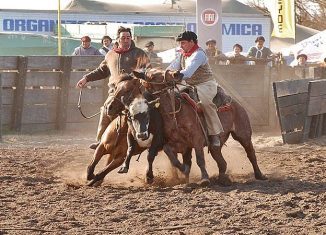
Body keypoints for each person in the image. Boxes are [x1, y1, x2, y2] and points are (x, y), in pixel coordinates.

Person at [76, 26, 151, 149]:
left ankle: (146, 138)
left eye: (128, 37)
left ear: (131, 38)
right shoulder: (110, 55)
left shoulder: (139, 53)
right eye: (123, 38)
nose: (126, 40)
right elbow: (102, 70)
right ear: (118, 39)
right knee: (106, 111)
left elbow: (147, 69)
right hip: (115, 93)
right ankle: (100, 140)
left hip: (134, 93)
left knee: (143, 111)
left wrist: (137, 78)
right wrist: (86, 78)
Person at [167, 31, 224, 147]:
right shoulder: (182, 54)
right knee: (167, 95)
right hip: (188, 84)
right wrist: (164, 73)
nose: (181, 46)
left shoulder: (199, 54)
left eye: (183, 43)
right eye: (180, 43)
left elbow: (188, 72)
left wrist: (175, 75)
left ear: (192, 42)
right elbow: (172, 67)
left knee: (206, 103)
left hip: (206, 84)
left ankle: (215, 134)